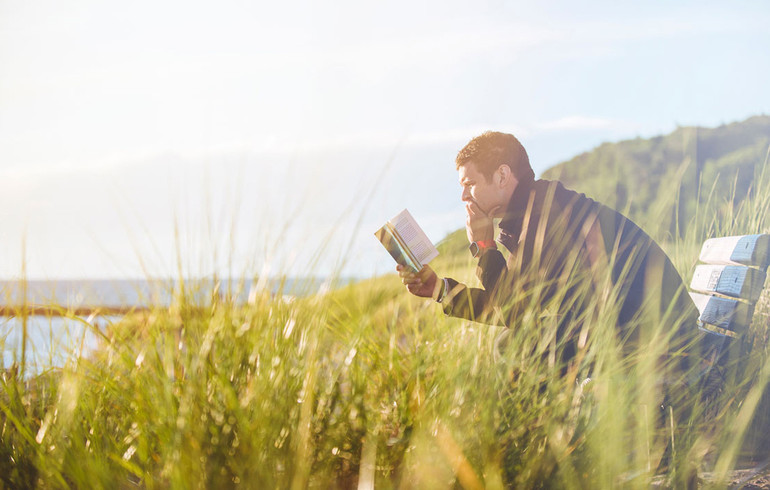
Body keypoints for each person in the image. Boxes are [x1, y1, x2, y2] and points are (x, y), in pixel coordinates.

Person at [398, 131, 710, 384]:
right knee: (517, 340)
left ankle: (550, 452)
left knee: (515, 344)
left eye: (469, 184)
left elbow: (515, 313)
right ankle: (550, 448)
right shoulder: (532, 212)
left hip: (661, 343)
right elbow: (517, 307)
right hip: (634, 331)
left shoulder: (549, 216)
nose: (464, 197)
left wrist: (483, 244)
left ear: (502, 175)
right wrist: (439, 289)